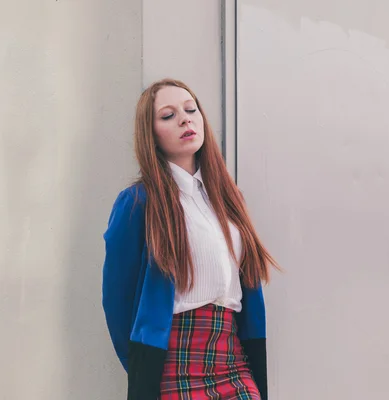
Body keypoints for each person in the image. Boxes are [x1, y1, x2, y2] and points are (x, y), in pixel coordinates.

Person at [102, 78, 279, 400]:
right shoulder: (139, 202)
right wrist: (143, 367)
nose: (185, 119)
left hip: (233, 356)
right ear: (151, 134)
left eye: (190, 109)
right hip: (174, 361)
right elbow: (117, 298)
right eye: (167, 115)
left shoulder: (228, 198)